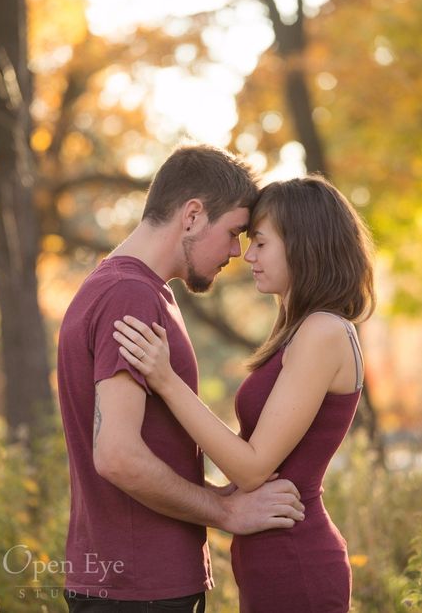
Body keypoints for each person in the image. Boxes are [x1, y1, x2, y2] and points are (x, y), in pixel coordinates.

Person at [57, 143, 305, 613]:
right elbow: (117, 456)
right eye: (234, 232)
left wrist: (217, 490)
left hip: (129, 581)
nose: (237, 251)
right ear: (192, 215)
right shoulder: (130, 295)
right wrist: (226, 511)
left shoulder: (127, 288)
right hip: (141, 587)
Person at [113, 175, 376, 613]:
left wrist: (165, 380)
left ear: (302, 244)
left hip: (296, 561)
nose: (246, 255)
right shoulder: (299, 329)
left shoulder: (323, 331)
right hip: (271, 559)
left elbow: (254, 467)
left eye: (260, 242)